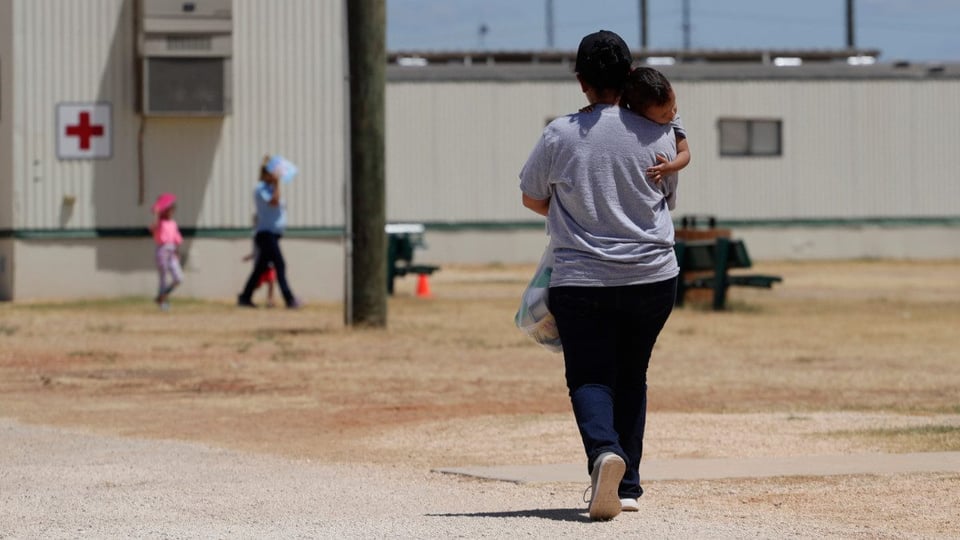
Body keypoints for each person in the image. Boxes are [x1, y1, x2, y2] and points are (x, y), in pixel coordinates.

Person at [519, 30, 680, 521]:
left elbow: (531, 196)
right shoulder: (661, 133)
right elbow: (665, 199)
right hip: (654, 275)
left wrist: (566, 209)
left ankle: (604, 454)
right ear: (630, 76)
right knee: (633, 373)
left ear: (581, 81)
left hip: (582, 277)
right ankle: (627, 486)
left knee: (590, 375)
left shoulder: (560, 133)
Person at [237, 156, 301, 309]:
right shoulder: (260, 188)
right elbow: (273, 202)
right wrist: (277, 184)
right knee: (280, 265)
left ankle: (245, 297)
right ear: (265, 174)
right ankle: (289, 299)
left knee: (260, 268)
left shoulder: (271, 188)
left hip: (273, 234)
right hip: (266, 234)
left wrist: (275, 185)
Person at [150, 193, 183, 311]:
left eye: (172, 210)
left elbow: (177, 240)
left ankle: (162, 296)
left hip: (172, 251)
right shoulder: (159, 223)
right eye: (169, 210)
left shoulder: (173, 224)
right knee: (163, 277)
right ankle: (163, 303)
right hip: (162, 250)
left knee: (178, 278)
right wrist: (156, 214)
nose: (171, 212)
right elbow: (154, 229)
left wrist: (177, 251)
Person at [242, 217, 277, 308]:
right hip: (260, 262)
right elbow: (256, 249)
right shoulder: (256, 234)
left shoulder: (268, 231)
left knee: (271, 281)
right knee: (257, 284)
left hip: (269, 261)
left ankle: (270, 300)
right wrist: (250, 256)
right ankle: (245, 295)